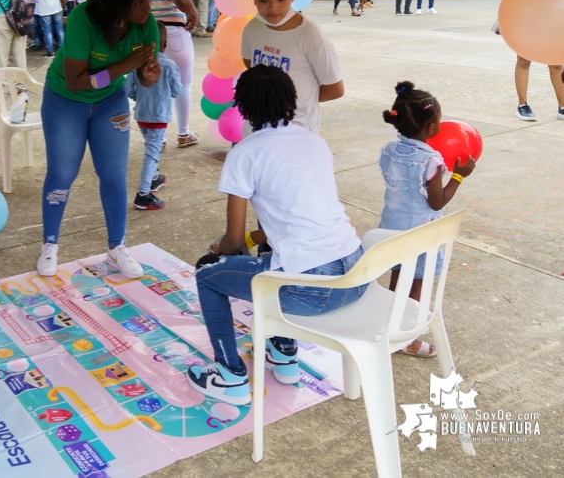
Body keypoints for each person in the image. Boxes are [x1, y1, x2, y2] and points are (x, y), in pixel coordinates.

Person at [187, 65, 366, 405]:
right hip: (356, 276)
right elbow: (296, 216)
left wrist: (216, 251)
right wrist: (253, 242)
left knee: (208, 274)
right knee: (272, 257)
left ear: (243, 106)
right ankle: (283, 355)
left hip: (310, 292)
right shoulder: (314, 141)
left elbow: (235, 241)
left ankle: (229, 375)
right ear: (290, 100)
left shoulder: (245, 152)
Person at [35, 0, 161, 280]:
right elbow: (77, 81)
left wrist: (146, 76)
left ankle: (117, 246)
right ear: (118, 3)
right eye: (140, 2)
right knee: (62, 174)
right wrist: (126, 65)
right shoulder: (83, 19)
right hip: (66, 99)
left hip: (110, 102)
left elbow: (144, 80)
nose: (147, 8)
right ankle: (49, 244)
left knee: (114, 174)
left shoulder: (146, 25)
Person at [379, 81, 475, 357]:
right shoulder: (430, 160)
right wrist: (458, 176)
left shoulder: (389, 149)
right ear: (432, 128)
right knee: (417, 284)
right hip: (418, 233)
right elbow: (436, 201)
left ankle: (389, 327)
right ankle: (406, 338)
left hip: (391, 227)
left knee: (398, 278)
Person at [241, 0, 345, 134]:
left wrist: (294, 101)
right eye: (264, 0)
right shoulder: (252, 28)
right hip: (255, 130)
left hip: (296, 133)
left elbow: (335, 88)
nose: (273, 7)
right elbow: (249, 64)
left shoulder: (311, 36)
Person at [145, 0, 199, 147]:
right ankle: (183, 133)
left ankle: (161, 137)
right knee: (183, 84)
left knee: (158, 86)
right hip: (175, 35)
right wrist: (192, 13)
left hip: (151, 35)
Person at [125, 24, 182, 211]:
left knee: (152, 149)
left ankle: (154, 177)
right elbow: (176, 91)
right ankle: (143, 194)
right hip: (159, 117)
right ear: (164, 44)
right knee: (151, 154)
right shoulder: (169, 66)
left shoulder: (136, 65)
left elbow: (128, 90)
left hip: (141, 115)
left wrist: (139, 98)